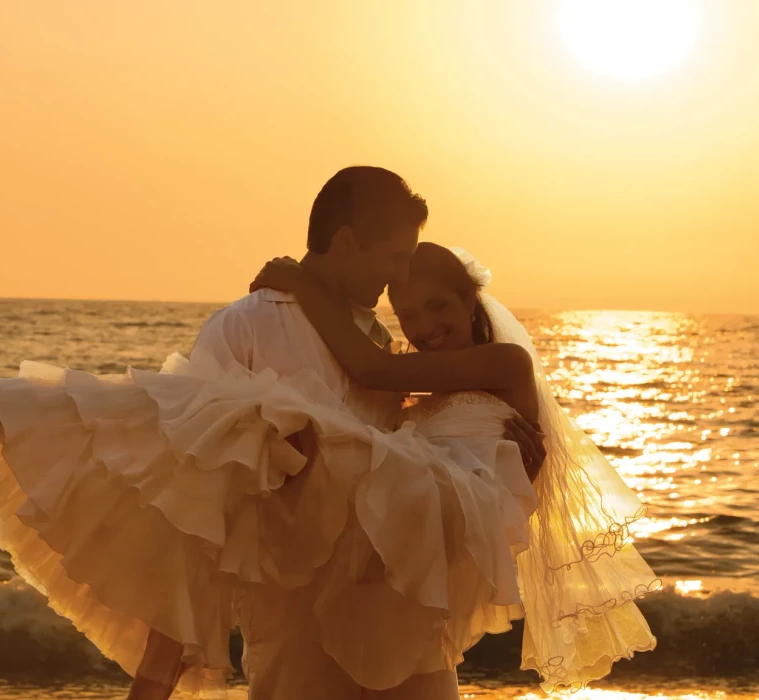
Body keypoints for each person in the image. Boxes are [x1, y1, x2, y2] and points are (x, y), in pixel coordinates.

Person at [0, 166, 554, 700]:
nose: (401, 282)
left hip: (399, 613)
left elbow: (411, 464)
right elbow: (189, 489)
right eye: (395, 260)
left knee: (278, 431)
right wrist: (160, 672)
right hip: (296, 625)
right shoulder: (249, 324)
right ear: (347, 244)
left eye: (424, 285)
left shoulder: (386, 354)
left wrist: (506, 455)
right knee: (205, 423)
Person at [249, 242, 661, 692]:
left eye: (438, 306)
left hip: (428, 571)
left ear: (469, 299)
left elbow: (371, 368)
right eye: (408, 316)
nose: (425, 327)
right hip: (385, 569)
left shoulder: (505, 363)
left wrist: (303, 286)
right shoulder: (413, 385)